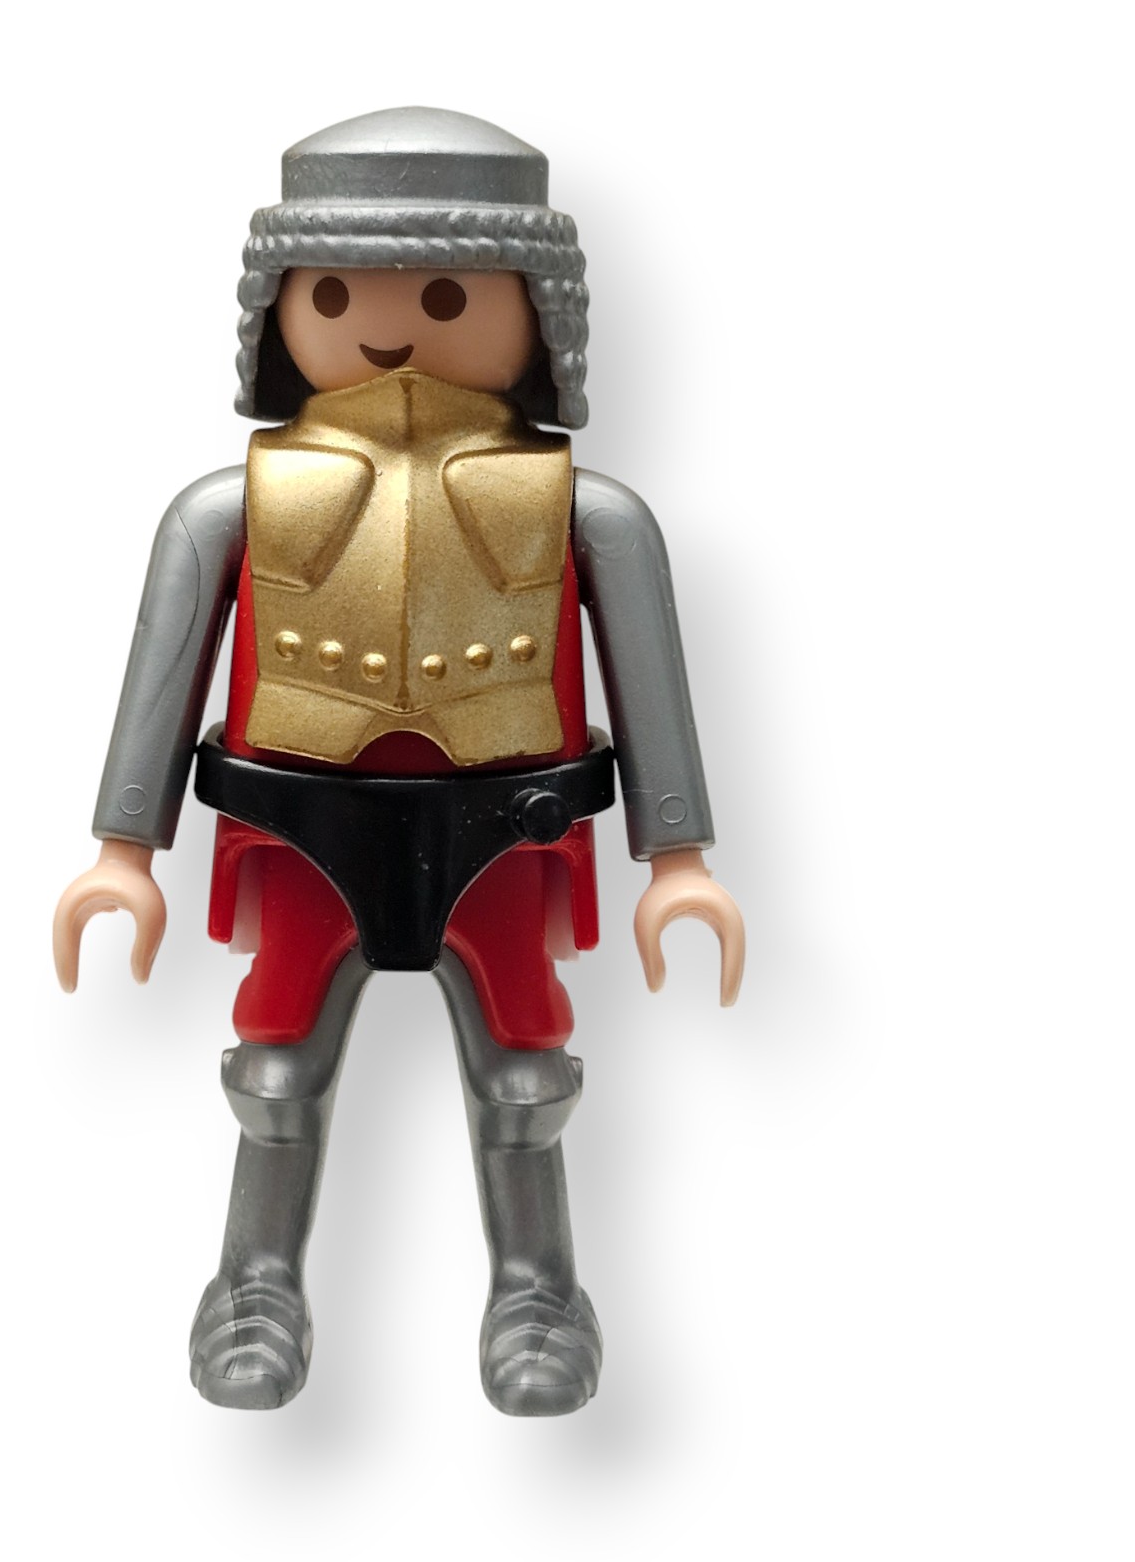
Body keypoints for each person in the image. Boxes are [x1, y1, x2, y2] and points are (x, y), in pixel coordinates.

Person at [53, 107, 745, 1416]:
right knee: (275, 1067)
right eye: (333, 294)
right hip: (298, 824)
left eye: (445, 296)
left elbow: (651, 684)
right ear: (280, 312)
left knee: (526, 1075)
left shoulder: (590, 514)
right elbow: (162, 680)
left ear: (537, 311)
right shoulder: (228, 509)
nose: (388, 329)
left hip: (510, 829)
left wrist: (680, 859)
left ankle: (539, 1290)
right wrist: (121, 850)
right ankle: (254, 1280)